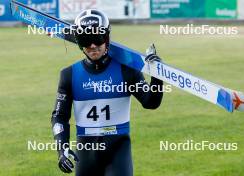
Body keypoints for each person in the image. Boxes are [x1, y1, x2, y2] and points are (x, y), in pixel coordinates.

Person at [51, 9, 163, 176]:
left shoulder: (126, 70)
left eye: (98, 38)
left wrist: (157, 75)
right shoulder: (69, 75)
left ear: (107, 38)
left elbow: (151, 102)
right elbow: (59, 116)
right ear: (79, 42)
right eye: (86, 40)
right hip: (86, 152)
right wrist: (62, 148)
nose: (93, 46)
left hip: (118, 150)